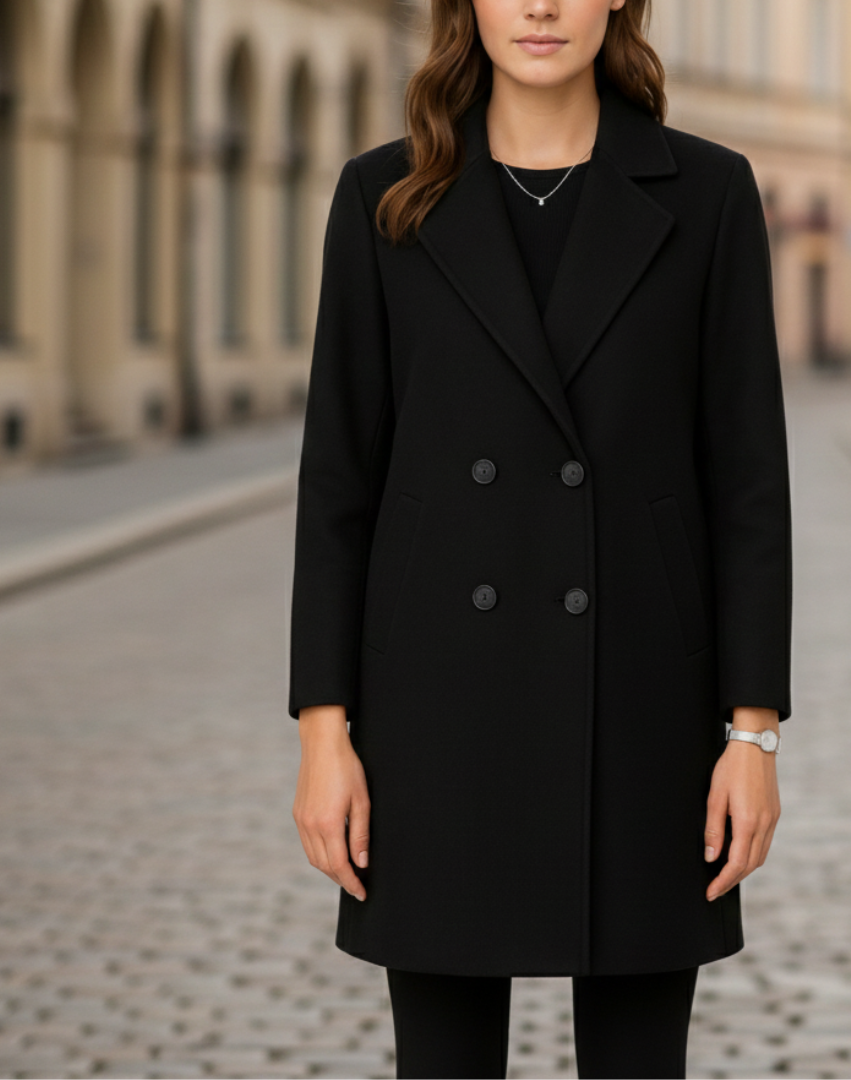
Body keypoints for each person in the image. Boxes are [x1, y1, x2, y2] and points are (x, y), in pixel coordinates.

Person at [288, 1, 793, 1077]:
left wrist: (752, 738)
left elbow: (749, 487)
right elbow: (337, 486)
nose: (542, 6)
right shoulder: (384, 194)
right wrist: (324, 735)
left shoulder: (707, 193)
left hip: (643, 708)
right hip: (435, 712)